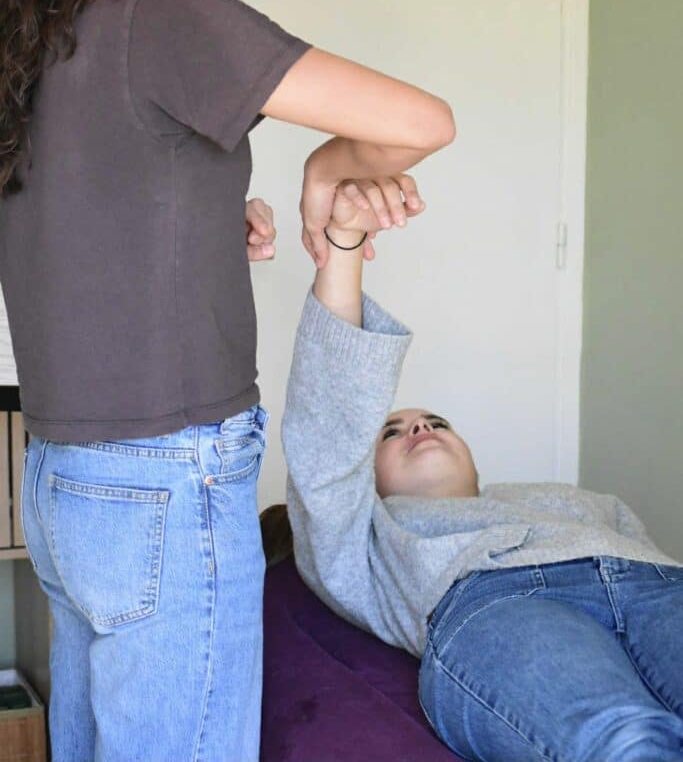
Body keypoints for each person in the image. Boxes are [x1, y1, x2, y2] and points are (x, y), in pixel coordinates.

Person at [0, 0, 455, 760]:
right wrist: (324, 164)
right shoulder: (166, 18)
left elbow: (80, 212)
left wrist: (211, 211)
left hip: (65, 483)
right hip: (166, 479)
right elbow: (422, 119)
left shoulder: (34, 35)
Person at [282, 176, 683, 762]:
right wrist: (344, 244)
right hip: (500, 604)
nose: (419, 429)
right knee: (624, 741)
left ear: (473, 461)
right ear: (366, 481)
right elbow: (328, 431)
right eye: (392, 433)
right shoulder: (366, 538)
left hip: (655, 584)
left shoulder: (566, 499)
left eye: (435, 422)